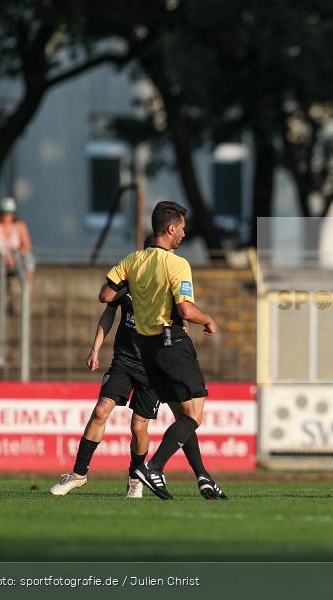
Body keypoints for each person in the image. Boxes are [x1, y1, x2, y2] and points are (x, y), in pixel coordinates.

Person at [50, 238, 227, 500]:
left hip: (151, 361)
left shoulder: (163, 286)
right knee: (101, 410)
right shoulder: (128, 282)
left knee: (139, 426)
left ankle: (136, 478)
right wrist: (96, 348)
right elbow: (107, 308)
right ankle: (78, 474)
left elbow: (182, 315)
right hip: (124, 359)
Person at [99, 201, 218, 500]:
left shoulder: (134, 259)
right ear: (171, 228)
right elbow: (185, 309)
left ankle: (203, 477)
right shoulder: (177, 264)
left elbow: (107, 295)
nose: (184, 235)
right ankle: (153, 467)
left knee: (182, 413)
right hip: (172, 342)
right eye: (182, 229)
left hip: (145, 349)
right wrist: (209, 320)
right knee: (195, 413)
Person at [0, 197, 35, 308]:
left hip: (16, 258)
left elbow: (27, 245)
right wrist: (6, 255)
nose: (6, 216)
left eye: (9, 213)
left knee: (29, 258)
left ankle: (27, 291)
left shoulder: (20, 225)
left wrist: (13, 256)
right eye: (3, 213)